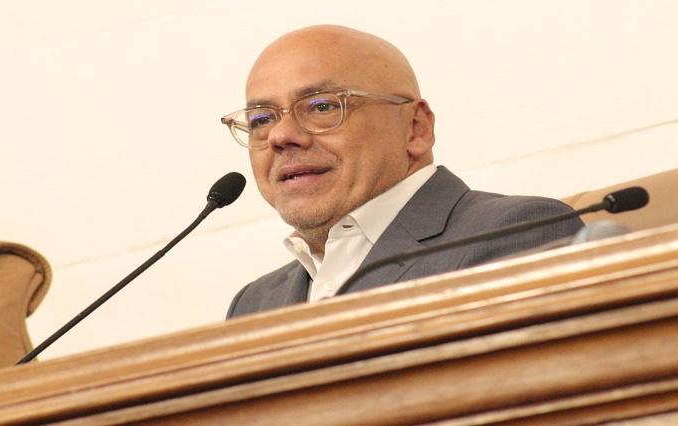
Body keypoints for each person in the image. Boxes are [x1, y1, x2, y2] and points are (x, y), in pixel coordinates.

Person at [224, 25, 582, 318]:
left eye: (322, 107)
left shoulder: (516, 233)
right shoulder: (254, 303)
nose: (280, 136)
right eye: (261, 119)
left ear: (415, 128)